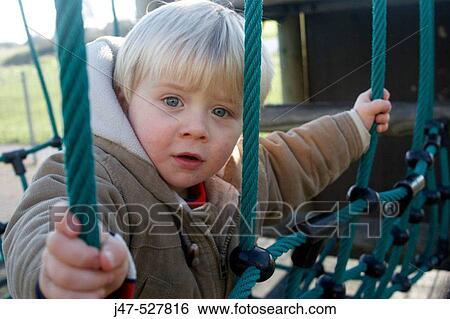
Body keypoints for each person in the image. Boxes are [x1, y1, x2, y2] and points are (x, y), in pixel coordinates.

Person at [2, 0, 392, 298]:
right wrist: (55, 272)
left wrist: (354, 125)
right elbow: (40, 217)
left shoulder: (232, 171)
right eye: (171, 101)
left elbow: (293, 160)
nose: (196, 129)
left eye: (221, 111)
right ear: (123, 99)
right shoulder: (95, 174)